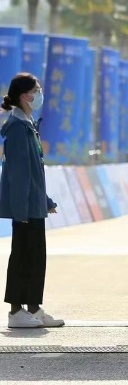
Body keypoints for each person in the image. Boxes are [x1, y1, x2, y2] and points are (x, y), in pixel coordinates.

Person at [1, 73, 63, 328]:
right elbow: (17, 172)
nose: (39, 94)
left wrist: (45, 199)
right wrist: (20, 208)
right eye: (36, 89)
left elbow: (36, 170)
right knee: (22, 256)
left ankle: (34, 308)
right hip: (24, 207)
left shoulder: (28, 123)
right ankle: (16, 312)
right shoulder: (16, 127)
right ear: (24, 95)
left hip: (34, 204)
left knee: (36, 257)